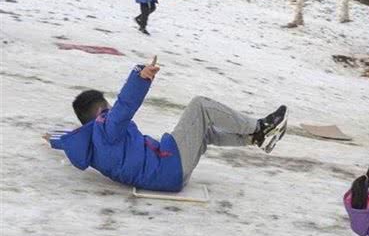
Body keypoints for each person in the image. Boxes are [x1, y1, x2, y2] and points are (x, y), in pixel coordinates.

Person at [44, 59, 288, 192]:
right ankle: (261, 126)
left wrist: (53, 139)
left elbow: (70, 138)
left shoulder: (88, 144)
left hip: (165, 172)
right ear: (101, 111)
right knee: (200, 106)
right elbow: (126, 105)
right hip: (167, 167)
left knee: (204, 132)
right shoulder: (106, 128)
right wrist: (139, 76)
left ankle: (254, 138)